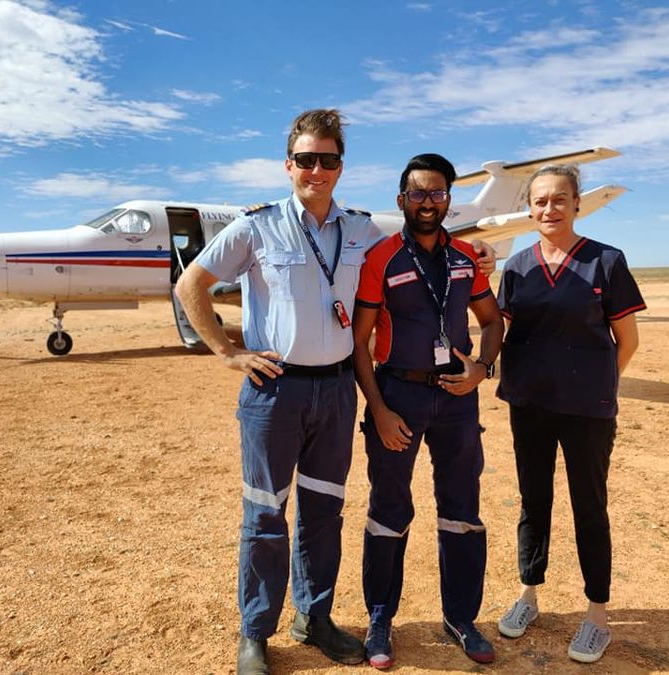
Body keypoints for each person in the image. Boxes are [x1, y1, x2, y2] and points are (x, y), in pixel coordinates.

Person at [176, 110, 496, 674]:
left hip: (337, 390)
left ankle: (315, 617)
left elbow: (419, 243)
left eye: (327, 160)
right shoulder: (257, 226)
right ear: (289, 164)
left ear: (340, 167)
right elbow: (191, 284)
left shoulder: (360, 229)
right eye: (306, 159)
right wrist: (228, 352)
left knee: (324, 512)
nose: (316, 170)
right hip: (274, 391)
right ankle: (255, 631)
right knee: (265, 514)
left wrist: (481, 254)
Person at [352, 153, 504, 669]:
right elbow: (360, 341)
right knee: (388, 509)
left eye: (437, 193)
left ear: (448, 200)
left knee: (462, 508)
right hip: (400, 396)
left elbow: (492, 320)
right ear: (401, 200)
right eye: (417, 193)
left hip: (458, 399)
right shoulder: (382, 260)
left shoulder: (466, 256)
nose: (427, 202)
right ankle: (379, 618)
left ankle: (461, 617)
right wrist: (379, 408)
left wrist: (482, 367)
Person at [494, 164, 645, 664]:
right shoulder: (517, 267)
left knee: (589, 506)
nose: (548, 209)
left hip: (588, 412)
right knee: (533, 502)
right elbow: (502, 330)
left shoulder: (606, 261)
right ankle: (529, 594)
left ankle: (597, 613)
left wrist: (596, 385)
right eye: (539, 201)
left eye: (559, 199)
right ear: (529, 207)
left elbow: (627, 340)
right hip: (530, 406)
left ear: (577, 203)